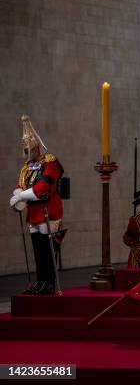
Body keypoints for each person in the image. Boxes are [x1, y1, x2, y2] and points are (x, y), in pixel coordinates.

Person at [9, 115, 64, 295]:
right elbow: (21, 184)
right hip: (33, 212)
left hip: (48, 209)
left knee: (47, 250)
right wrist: (18, 195)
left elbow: (43, 187)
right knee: (37, 250)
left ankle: (49, 283)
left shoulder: (50, 161)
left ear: (36, 146)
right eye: (25, 150)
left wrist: (22, 196)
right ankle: (41, 281)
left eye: (29, 149)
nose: (27, 153)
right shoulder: (27, 167)